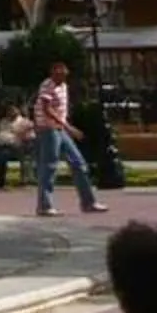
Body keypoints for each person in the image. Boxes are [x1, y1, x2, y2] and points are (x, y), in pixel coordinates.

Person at [34, 60, 105, 217]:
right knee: (49, 166)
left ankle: (88, 202)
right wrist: (68, 127)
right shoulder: (47, 85)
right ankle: (44, 206)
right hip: (48, 129)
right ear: (52, 73)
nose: (61, 75)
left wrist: (65, 126)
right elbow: (47, 108)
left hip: (60, 129)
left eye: (63, 72)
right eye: (57, 72)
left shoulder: (64, 87)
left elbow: (60, 109)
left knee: (78, 163)